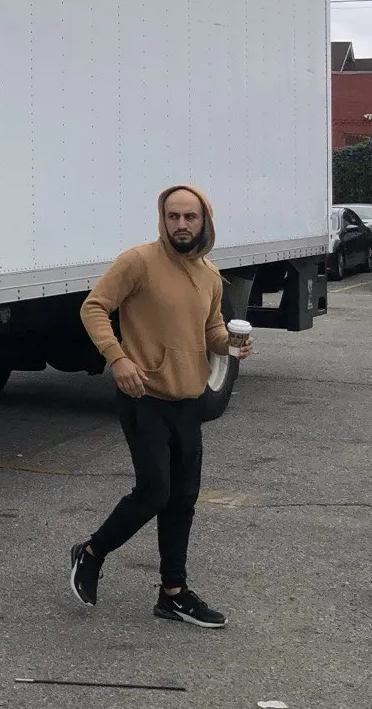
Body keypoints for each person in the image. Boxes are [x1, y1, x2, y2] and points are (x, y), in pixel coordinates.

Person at [68, 184, 253, 628]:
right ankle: (91, 552)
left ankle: (173, 594)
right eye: (173, 216)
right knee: (155, 491)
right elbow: (94, 308)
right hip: (143, 396)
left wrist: (231, 345)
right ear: (163, 220)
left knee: (183, 498)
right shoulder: (139, 261)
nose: (181, 224)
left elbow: (210, 332)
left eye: (190, 217)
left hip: (188, 400)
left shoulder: (210, 275)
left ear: (204, 220)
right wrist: (118, 359)